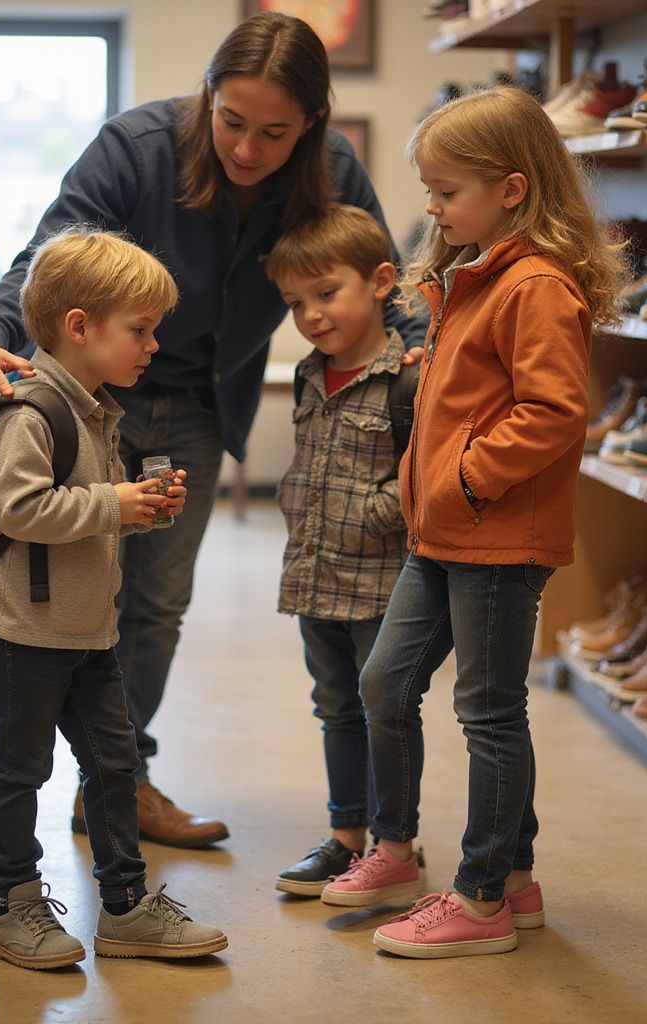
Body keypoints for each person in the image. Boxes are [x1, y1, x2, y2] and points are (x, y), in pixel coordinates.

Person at [0, 11, 426, 848]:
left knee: (158, 607)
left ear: (311, 122)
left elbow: (380, 279)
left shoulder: (334, 169)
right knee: (83, 596)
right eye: (232, 121)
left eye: (275, 132)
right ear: (207, 95)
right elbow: (47, 253)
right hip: (100, 405)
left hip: (203, 411)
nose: (247, 149)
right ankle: (87, 776)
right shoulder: (135, 148)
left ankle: (119, 783)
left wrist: (429, 354)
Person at [319, 87, 623, 959]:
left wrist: (462, 476)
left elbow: (555, 412)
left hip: (492, 534)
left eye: (447, 190)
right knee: (385, 682)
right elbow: (490, 390)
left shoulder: (534, 285)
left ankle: (484, 893)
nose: (432, 206)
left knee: (489, 713)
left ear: (514, 188)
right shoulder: (477, 272)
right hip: (444, 531)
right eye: (430, 188)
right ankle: (498, 873)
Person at [0, 227, 227, 970]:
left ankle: (125, 907)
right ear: (79, 328)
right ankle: (10, 905)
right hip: (27, 632)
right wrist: (114, 502)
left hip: (89, 630)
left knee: (115, 768)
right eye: (140, 331)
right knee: (21, 770)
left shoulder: (93, 408)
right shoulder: (30, 412)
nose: (152, 346)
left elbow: (87, 511)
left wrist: (139, 504)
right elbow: (21, 510)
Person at [263, 205, 413, 895]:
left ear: (381, 281)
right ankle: (346, 837)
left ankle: (394, 844)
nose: (312, 315)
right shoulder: (307, 374)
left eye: (327, 293)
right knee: (335, 708)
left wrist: (372, 515)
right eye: (297, 303)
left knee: (385, 710)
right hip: (314, 575)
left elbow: (420, 480)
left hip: (380, 583)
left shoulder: (409, 379)